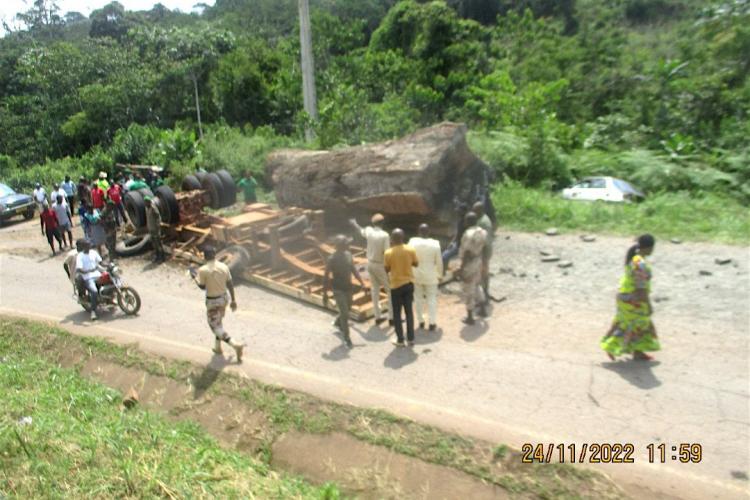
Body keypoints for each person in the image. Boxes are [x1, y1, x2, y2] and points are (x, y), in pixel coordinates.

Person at [601, 234, 661, 361]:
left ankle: (638, 351)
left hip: (626, 296)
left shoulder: (634, 259)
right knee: (637, 323)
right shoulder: (639, 263)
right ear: (650, 248)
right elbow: (641, 286)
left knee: (634, 324)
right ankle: (611, 346)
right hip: (634, 299)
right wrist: (648, 304)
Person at [191, 246, 245, 362]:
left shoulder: (203, 270)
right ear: (215, 255)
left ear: (205, 257)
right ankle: (217, 347)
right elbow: (230, 283)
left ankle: (235, 345)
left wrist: (194, 277)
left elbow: (202, 286)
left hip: (213, 301)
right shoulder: (224, 267)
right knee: (218, 322)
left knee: (214, 326)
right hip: (224, 299)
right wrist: (233, 300)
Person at [323, 235, 367, 348]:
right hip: (338, 289)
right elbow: (326, 275)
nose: (349, 245)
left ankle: (338, 322)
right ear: (340, 246)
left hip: (348, 287)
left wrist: (362, 283)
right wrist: (325, 294)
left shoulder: (348, 255)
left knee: (347, 308)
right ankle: (347, 338)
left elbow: (353, 269)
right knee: (345, 314)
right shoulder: (332, 259)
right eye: (347, 244)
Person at [349, 214, 392, 326]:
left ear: (373, 223)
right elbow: (387, 253)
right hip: (380, 264)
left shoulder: (369, 231)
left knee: (375, 290)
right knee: (390, 291)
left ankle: (378, 317)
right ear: (383, 223)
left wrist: (354, 223)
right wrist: (389, 268)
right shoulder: (385, 235)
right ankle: (392, 317)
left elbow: (360, 230)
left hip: (370, 264)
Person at [384, 228, 418, 347]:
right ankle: (411, 339)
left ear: (392, 239)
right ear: (403, 238)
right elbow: (416, 264)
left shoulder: (388, 252)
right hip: (408, 284)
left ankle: (400, 340)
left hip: (396, 286)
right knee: (409, 312)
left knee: (397, 314)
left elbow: (387, 269)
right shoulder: (410, 249)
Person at [408, 224, 443, 331]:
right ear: (429, 232)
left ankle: (421, 321)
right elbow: (439, 262)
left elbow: (409, 258)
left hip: (416, 275)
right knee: (431, 299)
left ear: (418, 232)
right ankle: (432, 323)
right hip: (431, 276)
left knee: (418, 299)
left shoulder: (412, 242)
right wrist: (440, 275)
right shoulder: (435, 244)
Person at [457, 212, 487, 325]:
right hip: (478, 260)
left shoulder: (468, 234)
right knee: (477, 284)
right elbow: (483, 248)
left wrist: (461, 268)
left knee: (468, 288)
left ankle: (470, 317)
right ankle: (483, 309)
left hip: (469, 264)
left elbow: (467, 253)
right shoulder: (482, 232)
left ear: (468, 221)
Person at [75, 240, 104, 321]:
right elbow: (79, 269)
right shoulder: (80, 256)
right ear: (83, 247)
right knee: (94, 291)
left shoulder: (93, 252)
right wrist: (88, 271)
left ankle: (109, 298)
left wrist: (109, 265)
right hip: (88, 277)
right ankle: (93, 311)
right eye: (87, 246)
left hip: (98, 274)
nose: (89, 247)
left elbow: (101, 262)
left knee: (110, 280)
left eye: (89, 245)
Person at [473, 201, 494, 305]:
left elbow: (483, 240)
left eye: (475, 210)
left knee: (482, 275)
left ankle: (483, 298)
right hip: (486, 250)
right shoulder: (484, 219)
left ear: (480, 210)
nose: (474, 212)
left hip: (484, 252)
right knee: (483, 274)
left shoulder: (483, 223)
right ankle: (485, 294)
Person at [442, 198, 469, 270]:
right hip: (458, 243)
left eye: (459, 210)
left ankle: (444, 273)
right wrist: (452, 242)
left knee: (444, 257)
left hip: (462, 244)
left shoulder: (466, 222)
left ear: (464, 211)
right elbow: (458, 233)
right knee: (444, 255)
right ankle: (445, 270)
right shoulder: (461, 220)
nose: (457, 211)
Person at [145, 196, 166, 263]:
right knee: (154, 244)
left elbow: (158, 217)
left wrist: (158, 226)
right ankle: (157, 256)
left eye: (146, 202)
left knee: (158, 243)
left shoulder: (153, 208)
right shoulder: (147, 209)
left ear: (149, 202)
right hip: (151, 229)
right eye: (145, 202)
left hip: (155, 229)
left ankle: (162, 257)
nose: (145, 203)